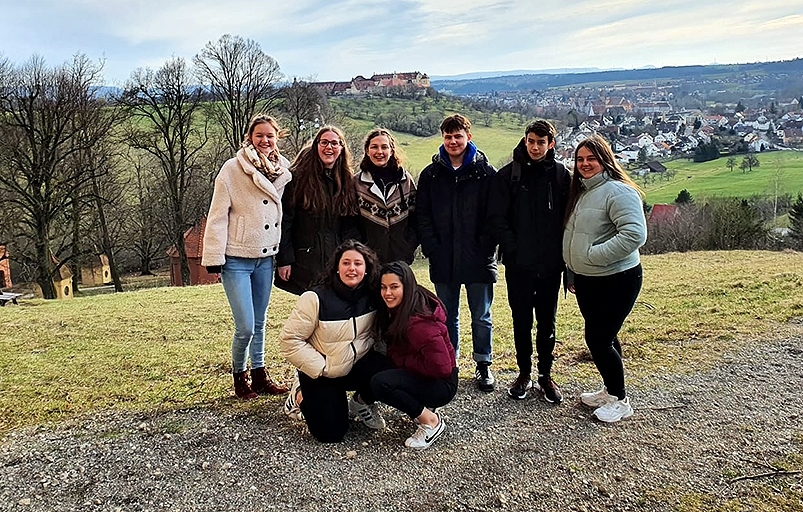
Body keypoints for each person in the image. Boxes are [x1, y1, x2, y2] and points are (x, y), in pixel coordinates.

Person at [201, 114, 292, 399]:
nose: (265, 140)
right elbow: (217, 215)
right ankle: (240, 377)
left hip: (265, 257)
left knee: (261, 322)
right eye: (259, 135)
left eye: (270, 136)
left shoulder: (281, 169)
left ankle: (260, 375)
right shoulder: (232, 169)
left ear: (277, 138)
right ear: (249, 138)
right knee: (245, 326)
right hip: (237, 259)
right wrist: (214, 257)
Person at [563, 134, 647, 423]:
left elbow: (635, 234)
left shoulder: (618, 191)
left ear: (605, 160)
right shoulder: (584, 190)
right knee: (605, 337)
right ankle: (611, 390)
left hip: (617, 278)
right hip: (589, 280)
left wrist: (591, 256)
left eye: (591, 159)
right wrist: (574, 268)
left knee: (597, 338)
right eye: (580, 159)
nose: (585, 164)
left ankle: (621, 400)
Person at [488, 120, 570, 403]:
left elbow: (568, 219)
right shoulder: (508, 175)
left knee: (547, 322)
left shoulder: (561, 176)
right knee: (520, 320)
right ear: (525, 141)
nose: (535, 147)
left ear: (551, 145)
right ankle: (523, 373)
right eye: (531, 141)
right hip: (519, 265)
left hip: (550, 265)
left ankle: (545, 376)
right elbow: (496, 218)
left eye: (541, 142)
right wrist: (513, 249)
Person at [279, 240, 392, 443]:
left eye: (358, 263)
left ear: (367, 269)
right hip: (323, 371)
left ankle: (361, 402)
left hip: (356, 364)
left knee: (390, 368)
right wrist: (321, 367)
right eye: (346, 263)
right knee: (331, 434)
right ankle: (298, 395)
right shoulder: (315, 298)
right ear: (336, 268)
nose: (352, 268)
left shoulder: (374, 295)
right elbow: (290, 340)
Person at [416, 114, 498, 391]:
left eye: (458, 136)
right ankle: (449, 364)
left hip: (478, 257)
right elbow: (423, 215)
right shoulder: (431, 174)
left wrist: (486, 246)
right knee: (446, 315)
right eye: (448, 136)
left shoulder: (486, 173)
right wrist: (432, 248)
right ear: (443, 139)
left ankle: (483, 364)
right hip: (443, 257)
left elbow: (494, 215)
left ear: (468, 138)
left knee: (481, 315)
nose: (453, 141)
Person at [371, 261, 458, 449]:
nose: (387, 293)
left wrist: (401, 361)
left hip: (442, 384)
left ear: (407, 286)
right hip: (430, 372)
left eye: (394, 287)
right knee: (376, 366)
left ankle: (431, 422)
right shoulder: (402, 308)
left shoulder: (419, 322)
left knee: (381, 383)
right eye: (383, 287)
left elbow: (441, 367)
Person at [275, 126, 360, 295]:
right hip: (305, 260)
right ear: (316, 146)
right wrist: (285, 260)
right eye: (324, 142)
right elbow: (285, 222)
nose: (329, 147)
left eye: (334, 143)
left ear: (341, 148)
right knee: (311, 308)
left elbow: (351, 225)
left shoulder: (346, 181)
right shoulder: (298, 179)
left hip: (336, 259)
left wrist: (351, 257)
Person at [354, 128, 418, 264]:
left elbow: (416, 219)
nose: (379, 152)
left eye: (384, 147)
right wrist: (360, 251)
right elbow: (348, 223)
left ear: (391, 150)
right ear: (367, 150)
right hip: (367, 262)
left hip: (400, 260)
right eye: (374, 147)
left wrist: (408, 247)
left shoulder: (405, 180)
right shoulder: (357, 183)